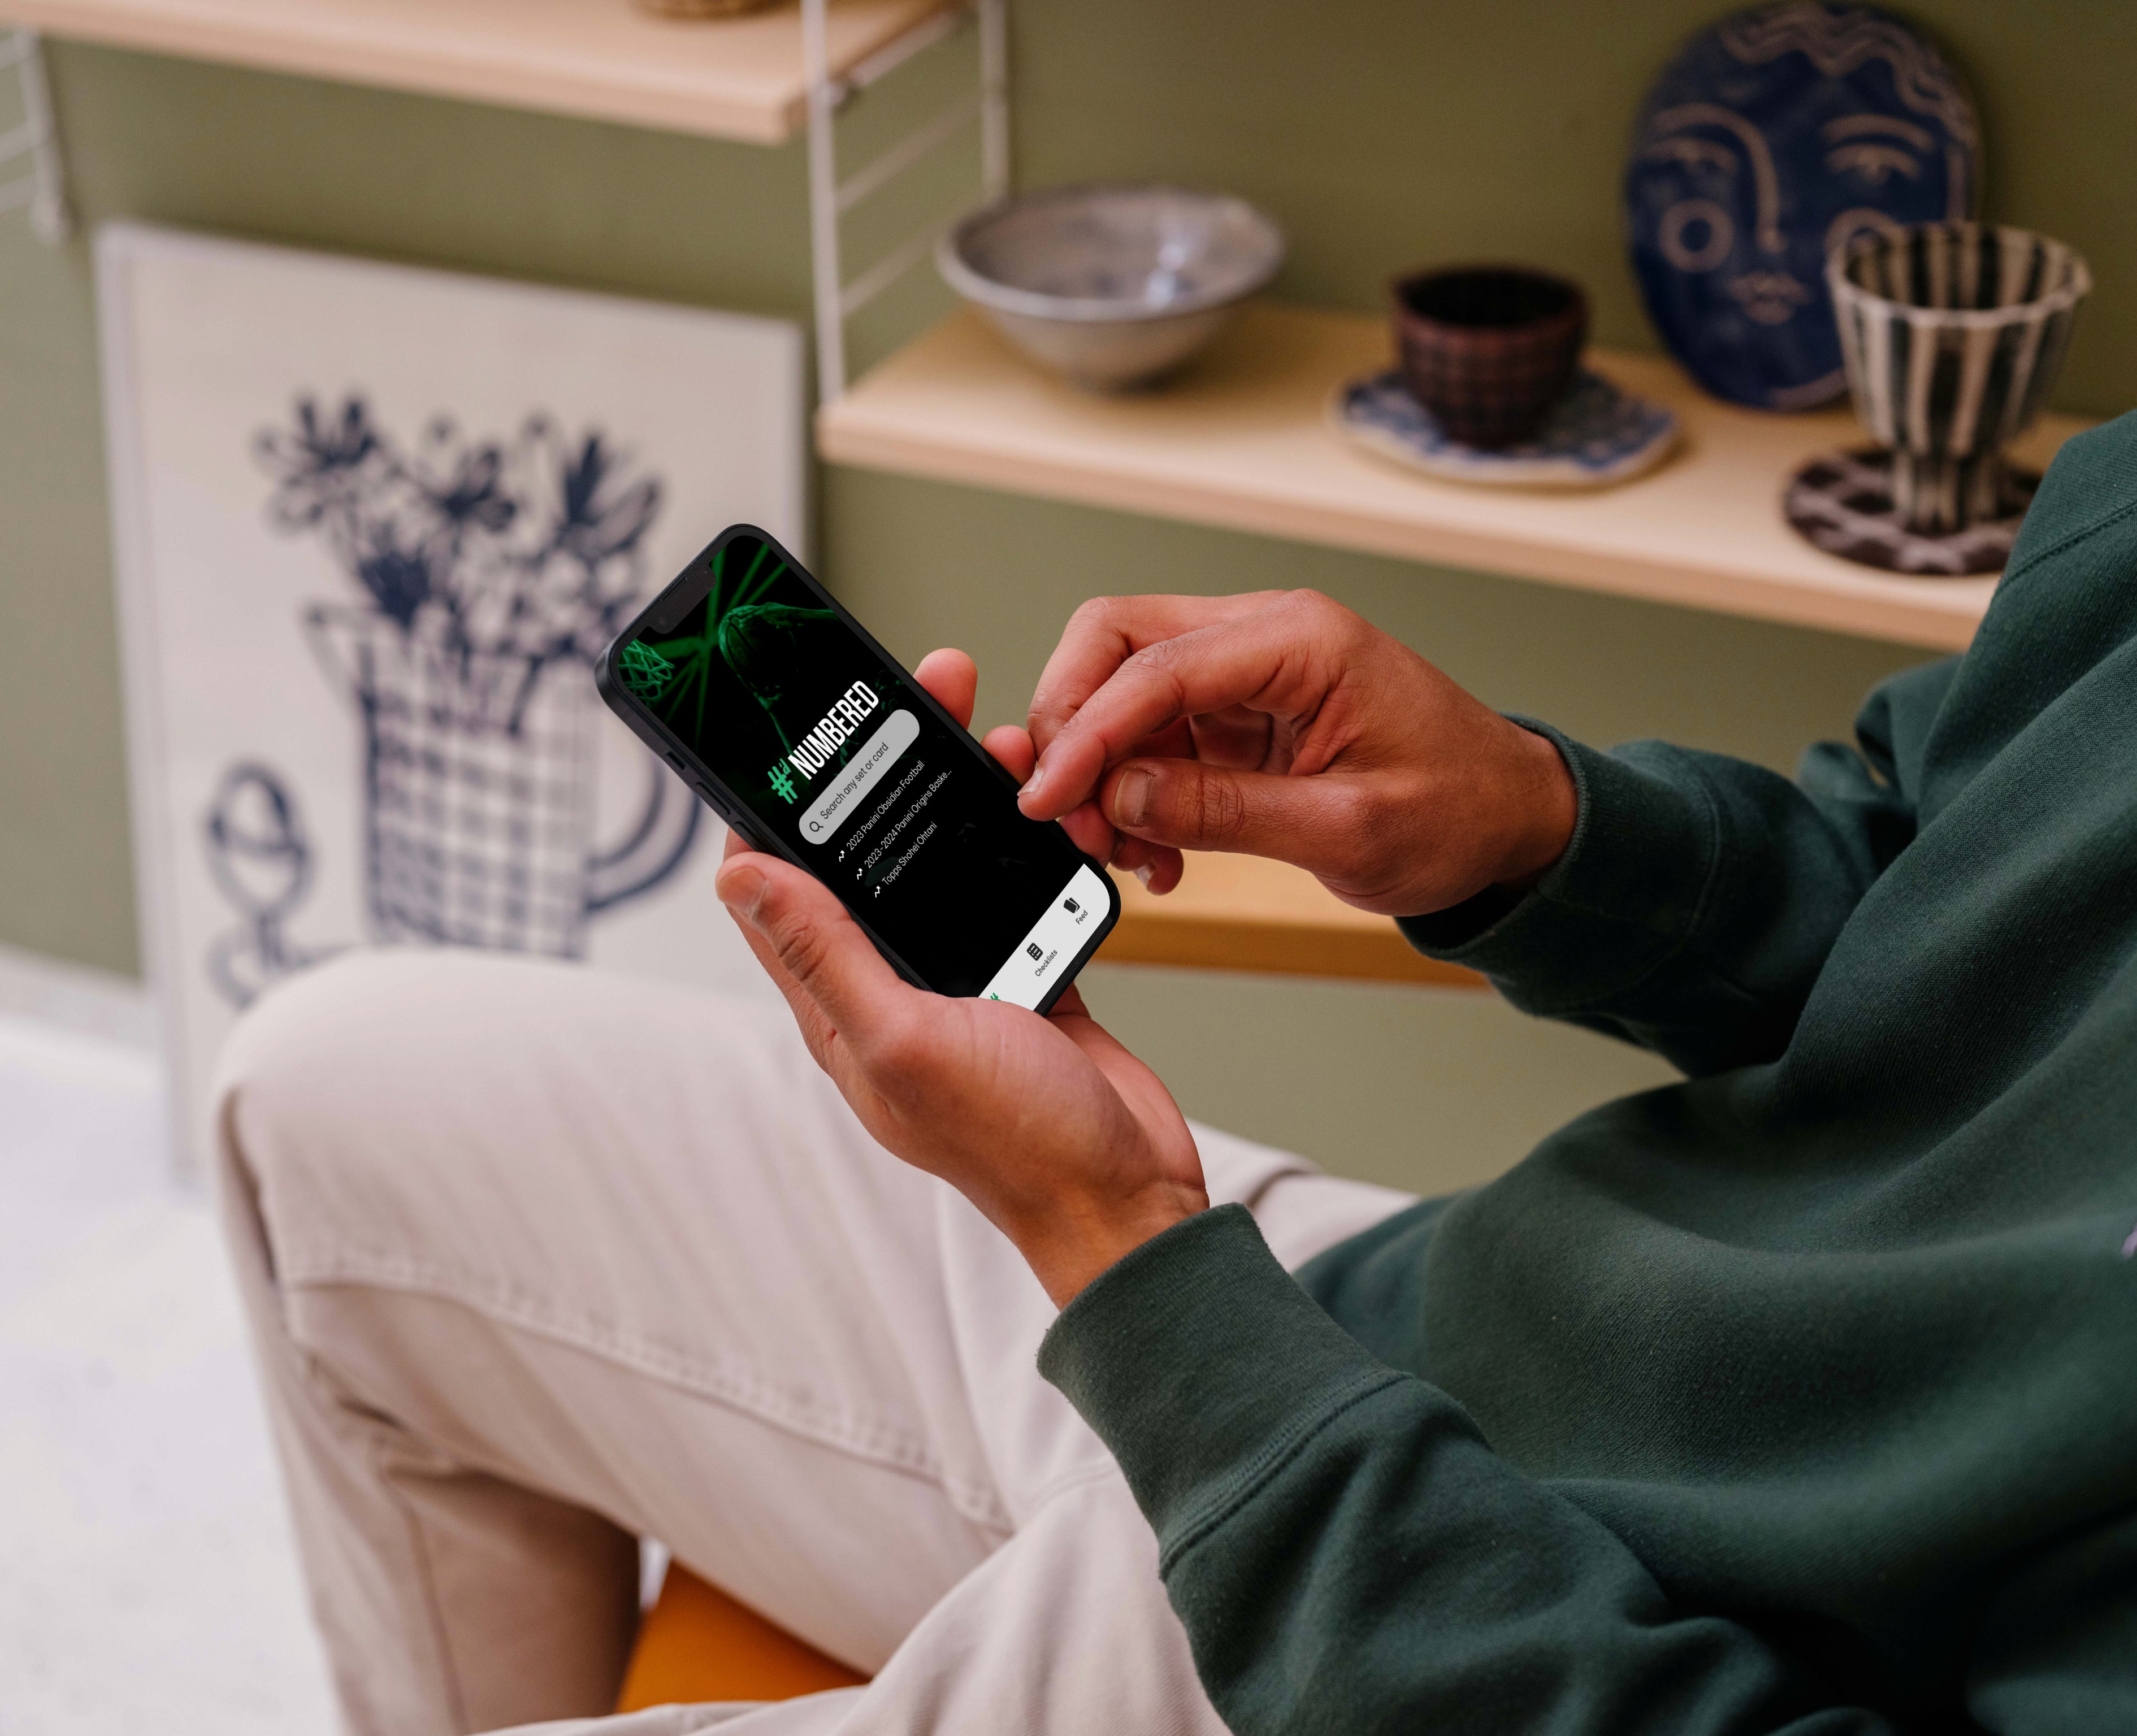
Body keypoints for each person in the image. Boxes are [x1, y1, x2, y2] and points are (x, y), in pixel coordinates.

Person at [216, 414, 2137, 1736]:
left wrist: (1134, 1272)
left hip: (1478, 1638)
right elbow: (1927, 897)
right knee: (316, 1102)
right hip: (1387, 1319)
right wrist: (1537, 823)